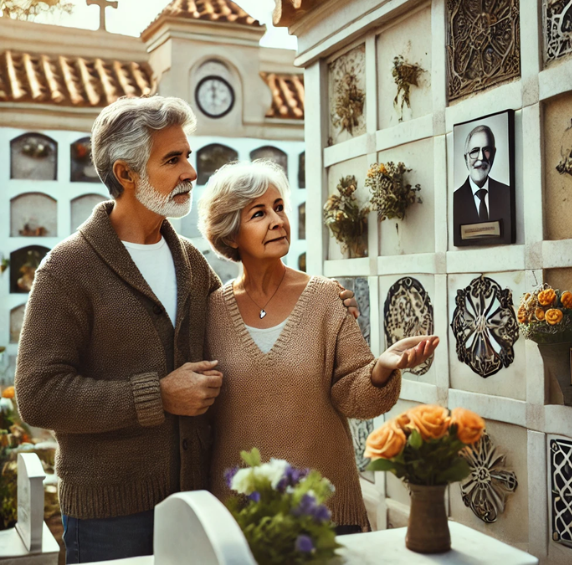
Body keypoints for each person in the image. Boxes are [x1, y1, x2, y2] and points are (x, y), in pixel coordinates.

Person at [14, 96, 358, 563]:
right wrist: (158, 395)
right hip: (110, 518)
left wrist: (324, 302)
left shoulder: (193, 264)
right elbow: (38, 395)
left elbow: (247, 323)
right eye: (172, 159)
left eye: (188, 156)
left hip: (199, 504)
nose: (191, 172)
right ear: (126, 174)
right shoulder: (67, 269)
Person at [198, 161, 439, 534]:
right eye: (258, 213)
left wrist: (380, 369)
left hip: (324, 504)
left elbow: (355, 398)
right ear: (230, 234)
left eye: (279, 207)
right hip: (242, 513)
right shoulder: (211, 310)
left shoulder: (327, 297)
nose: (277, 220)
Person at [453, 124, 512, 245]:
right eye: (474, 151)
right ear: (466, 159)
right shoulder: (456, 199)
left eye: (486, 150)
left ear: (493, 154)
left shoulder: (507, 193)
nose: (481, 157)